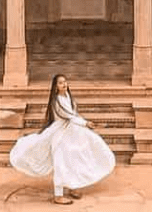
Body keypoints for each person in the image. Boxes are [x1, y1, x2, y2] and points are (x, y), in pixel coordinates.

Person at [9, 74, 115, 204]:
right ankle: (58, 195)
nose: (64, 84)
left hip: (71, 132)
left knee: (74, 159)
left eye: (65, 82)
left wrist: (84, 123)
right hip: (60, 134)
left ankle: (73, 187)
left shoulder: (68, 97)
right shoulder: (57, 100)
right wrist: (85, 123)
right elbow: (69, 116)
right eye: (60, 83)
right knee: (61, 163)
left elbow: (74, 114)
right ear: (55, 87)